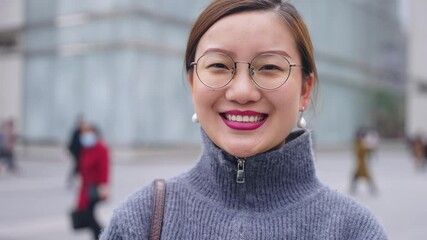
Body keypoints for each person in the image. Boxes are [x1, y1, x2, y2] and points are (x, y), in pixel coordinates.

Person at [101, 0, 387, 239]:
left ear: (304, 90)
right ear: (192, 83)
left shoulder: (353, 231)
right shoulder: (142, 220)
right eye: (218, 65)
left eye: (269, 67)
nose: (242, 92)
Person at [75, 124, 110, 239]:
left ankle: (104, 235)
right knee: (89, 215)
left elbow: (104, 168)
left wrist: (104, 186)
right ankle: (100, 236)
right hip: (86, 188)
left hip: (95, 188)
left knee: (91, 216)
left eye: (88, 134)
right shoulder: (86, 149)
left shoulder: (101, 148)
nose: (85, 137)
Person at [350, 127, 378, 195]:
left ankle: (372, 188)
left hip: (361, 164)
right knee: (365, 176)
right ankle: (372, 188)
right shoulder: (359, 143)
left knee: (357, 176)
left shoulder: (359, 142)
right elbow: (363, 151)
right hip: (361, 164)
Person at [66, 116, 86, 188]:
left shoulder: (84, 132)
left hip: (82, 153)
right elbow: (71, 143)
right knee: (75, 167)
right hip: (75, 153)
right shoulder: (76, 132)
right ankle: (71, 180)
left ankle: (78, 180)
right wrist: (69, 151)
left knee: (80, 167)